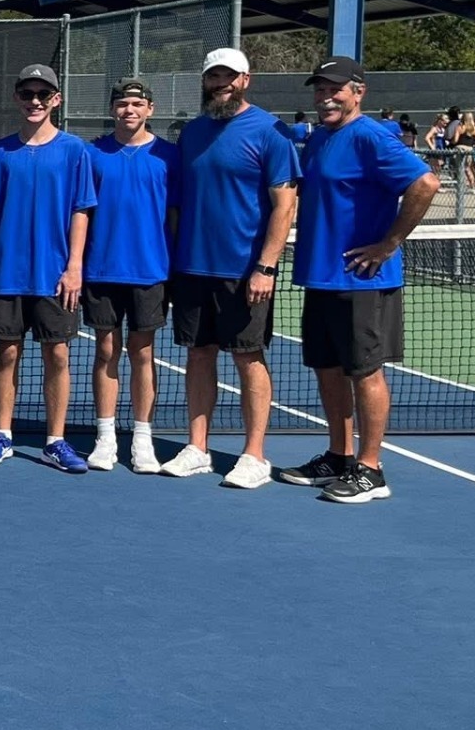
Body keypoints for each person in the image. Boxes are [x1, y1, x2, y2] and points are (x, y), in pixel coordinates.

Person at [276, 57, 438, 503]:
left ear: (358, 91)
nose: (325, 96)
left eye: (335, 89)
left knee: (364, 372)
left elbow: (425, 183)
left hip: (362, 280)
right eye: (319, 89)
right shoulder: (322, 139)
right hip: (321, 277)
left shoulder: (370, 137)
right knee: (328, 370)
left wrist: (388, 244)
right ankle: (339, 455)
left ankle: (371, 469)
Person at [162, 47, 299, 488]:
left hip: (244, 271)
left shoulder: (271, 132)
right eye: (212, 77)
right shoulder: (193, 132)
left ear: (245, 80)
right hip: (191, 269)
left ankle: (254, 456)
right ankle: (197, 448)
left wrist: (266, 267)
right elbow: (181, 204)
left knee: (247, 357)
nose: (220, 83)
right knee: (198, 356)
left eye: (228, 76)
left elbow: (285, 206)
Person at [0, 63, 97, 473]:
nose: (35, 101)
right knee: (7, 353)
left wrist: (74, 267)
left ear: (55, 100)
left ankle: (56, 440)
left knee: (58, 356)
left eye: (42, 95)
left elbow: (81, 211)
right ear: (17, 98)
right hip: (7, 273)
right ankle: (3, 435)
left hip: (55, 276)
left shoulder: (74, 151)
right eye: (27, 94)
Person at [82, 80, 180, 474]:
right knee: (105, 350)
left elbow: (175, 216)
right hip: (101, 270)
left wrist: (172, 265)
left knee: (143, 353)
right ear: (112, 109)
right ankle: (105, 436)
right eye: (122, 104)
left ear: (150, 109)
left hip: (151, 270)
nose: (129, 110)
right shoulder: (92, 155)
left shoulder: (168, 157)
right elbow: (81, 215)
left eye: (137, 103)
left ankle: (142, 438)